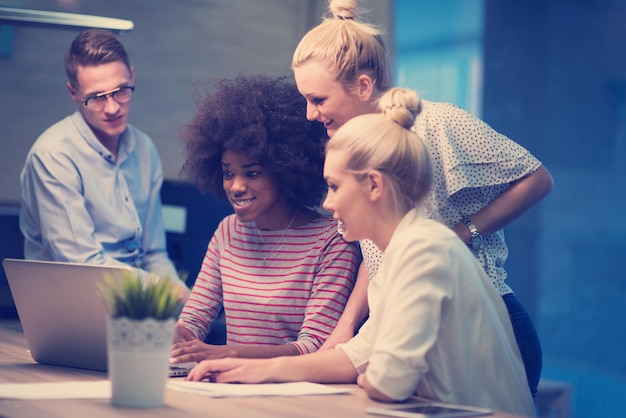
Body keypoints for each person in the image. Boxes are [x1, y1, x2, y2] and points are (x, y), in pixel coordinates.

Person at [185, 87, 536, 417]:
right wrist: (250, 370)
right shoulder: (400, 254)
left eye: (335, 187)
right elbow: (355, 357)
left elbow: (387, 380)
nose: (328, 202)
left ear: (373, 185)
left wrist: (374, 376)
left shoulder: (424, 251)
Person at [289, 0, 554, 396]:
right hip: (404, 331)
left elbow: (537, 178)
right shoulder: (356, 147)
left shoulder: (438, 122)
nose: (311, 115)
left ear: (363, 86)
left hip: (481, 331)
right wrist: (346, 326)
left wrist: (462, 232)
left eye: (319, 100)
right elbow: (378, 250)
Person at [170, 75, 360, 363]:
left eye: (252, 173)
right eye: (228, 173)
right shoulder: (228, 232)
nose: (236, 186)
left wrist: (227, 354)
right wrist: (167, 337)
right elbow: (194, 319)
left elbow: (314, 346)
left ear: (285, 171)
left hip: (295, 392)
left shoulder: (332, 241)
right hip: (230, 387)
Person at [19, 29, 188, 297]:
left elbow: (154, 254)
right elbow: (83, 267)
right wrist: (166, 292)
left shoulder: (145, 149)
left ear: (132, 77)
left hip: (136, 302)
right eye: (97, 97)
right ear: (73, 93)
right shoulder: (52, 156)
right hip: (73, 304)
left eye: (120, 91)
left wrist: (186, 302)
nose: (112, 108)